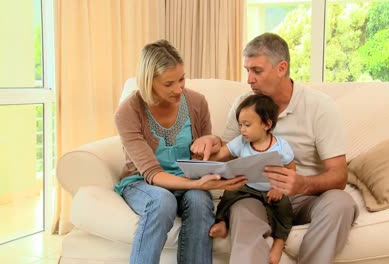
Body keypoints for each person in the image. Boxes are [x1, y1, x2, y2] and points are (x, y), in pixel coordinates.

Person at [194, 32, 359, 264]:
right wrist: (211, 142)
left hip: (304, 197)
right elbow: (228, 151)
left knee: (341, 203)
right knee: (241, 210)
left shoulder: (320, 107)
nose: (249, 79)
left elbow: (339, 175)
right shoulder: (245, 104)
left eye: (257, 71)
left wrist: (303, 183)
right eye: (247, 71)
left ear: (281, 68)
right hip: (254, 194)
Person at [114, 39, 247, 264]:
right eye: (169, 84)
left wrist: (212, 141)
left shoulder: (197, 102)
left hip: (188, 178)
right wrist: (197, 184)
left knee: (199, 201)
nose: (179, 89)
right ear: (149, 82)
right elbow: (152, 174)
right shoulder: (128, 111)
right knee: (163, 201)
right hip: (143, 183)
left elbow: (205, 158)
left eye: (182, 79)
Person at [207, 93, 296, 264]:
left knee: (285, 207)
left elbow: (291, 171)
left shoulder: (281, 147)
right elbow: (221, 154)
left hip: (272, 190)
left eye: (247, 125)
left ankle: (279, 242)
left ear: (267, 124)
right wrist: (203, 160)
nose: (242, 130)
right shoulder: (241, 142)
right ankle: (222, 222)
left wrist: (279, 189)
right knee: (229, 194)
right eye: (240, 125)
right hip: (247, 189)